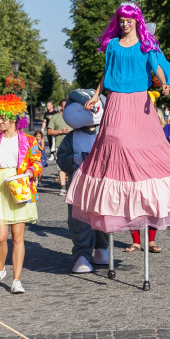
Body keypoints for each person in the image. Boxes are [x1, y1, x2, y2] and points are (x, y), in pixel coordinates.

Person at [69, 0, 170, 238]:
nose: (126, 24)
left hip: (140, 102)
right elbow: (106, 73)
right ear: (118, 23)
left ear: (136, 22)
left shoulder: (145, 45)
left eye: (129, 21)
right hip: (117, 100)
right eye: (122, 21)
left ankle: (145, 196)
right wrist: (96, 96)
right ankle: (119, 196)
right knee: (115, 141)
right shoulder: (113, 45)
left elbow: (156, 67)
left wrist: (163, 82)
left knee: (144, 147)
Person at [0, 94, 43, 294]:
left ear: (14, 119)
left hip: (19, 185)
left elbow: (38, 163)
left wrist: (31, 172)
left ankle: (16, 279)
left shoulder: (28, 141)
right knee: (0, 236)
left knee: (17, 236)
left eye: (3, 118)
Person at [56, 90, 110, 274]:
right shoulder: (72, 137)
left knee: (102, 217)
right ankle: (82, 255)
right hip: (78, 184)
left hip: (102, 184)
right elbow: (61, 158)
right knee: (79, 219)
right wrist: (73, 160)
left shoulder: (106, 134)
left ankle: (102, 248)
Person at [45, 100, 71, 195]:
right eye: (65, 106)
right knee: (61, 168)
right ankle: (63, 188)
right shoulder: (55, 117)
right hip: (59, 146)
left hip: (73, 145)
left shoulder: (73, 116)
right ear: (60, 107)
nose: (67, 107)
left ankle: (72, 187)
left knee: (74, 166)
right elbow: (49, 132)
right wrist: (60, 131)